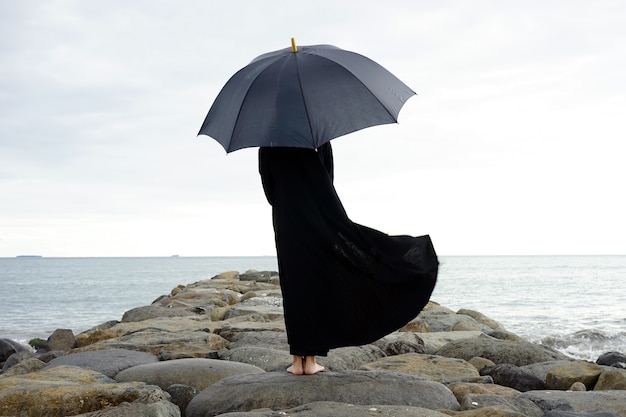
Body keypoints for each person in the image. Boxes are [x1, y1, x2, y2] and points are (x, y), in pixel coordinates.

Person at [258, 142, 438, 375]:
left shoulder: (268, 144)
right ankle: (311, 361)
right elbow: (328, 176)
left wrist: (289, 201)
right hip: (321, 214)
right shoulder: (317, 138)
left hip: (288, 219)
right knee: (319, 279)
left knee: (294, 285)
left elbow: (269, 189)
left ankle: (297, 361)